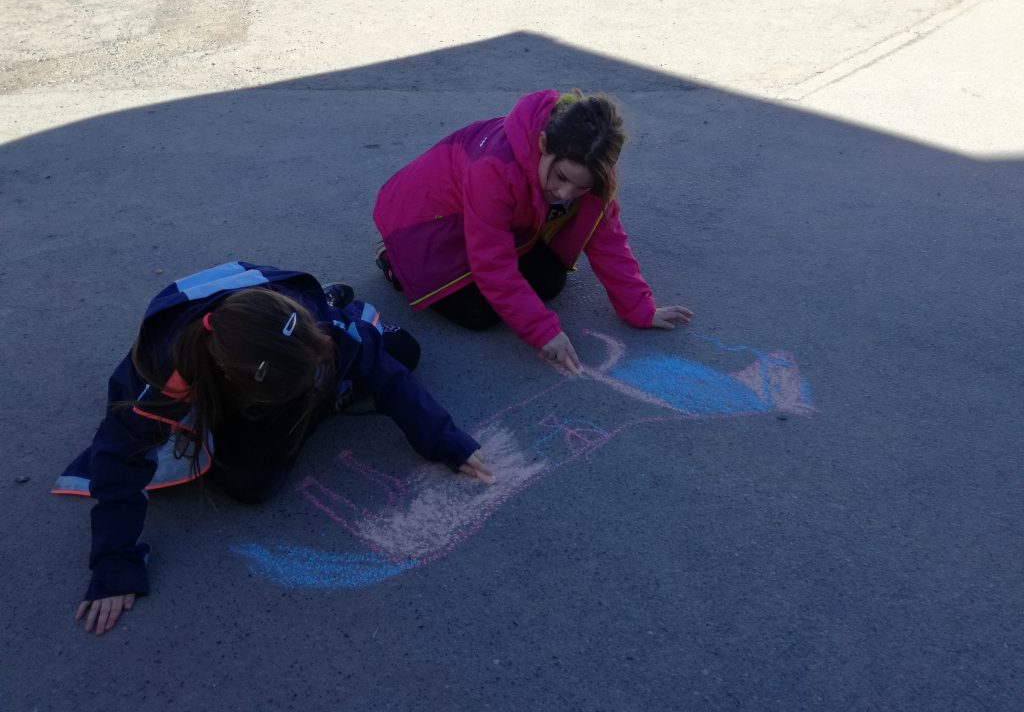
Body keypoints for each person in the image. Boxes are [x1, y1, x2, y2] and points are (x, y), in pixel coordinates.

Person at [53, 261, 492, 636]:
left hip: (294, 317)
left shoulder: (309, 326)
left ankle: (334, 306)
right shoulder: (158, 377)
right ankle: (323, 385)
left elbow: (387, 372)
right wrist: (115, 563)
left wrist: (445, 441)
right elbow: (118, 458)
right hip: (246, 366)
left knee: (402, 352)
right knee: (251, 484)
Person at [372, 89, 694, 374]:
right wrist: (543, 331)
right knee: (480, 314)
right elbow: (492, 265)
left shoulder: (592, 167)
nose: (565, 193)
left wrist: (639, 308)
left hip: (483, 218)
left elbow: (607, 238)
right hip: (424, 222)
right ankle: (395, 262)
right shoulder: (494, 168)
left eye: (580, 187)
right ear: (542, 144)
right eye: (561, 177)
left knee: (550, 279)